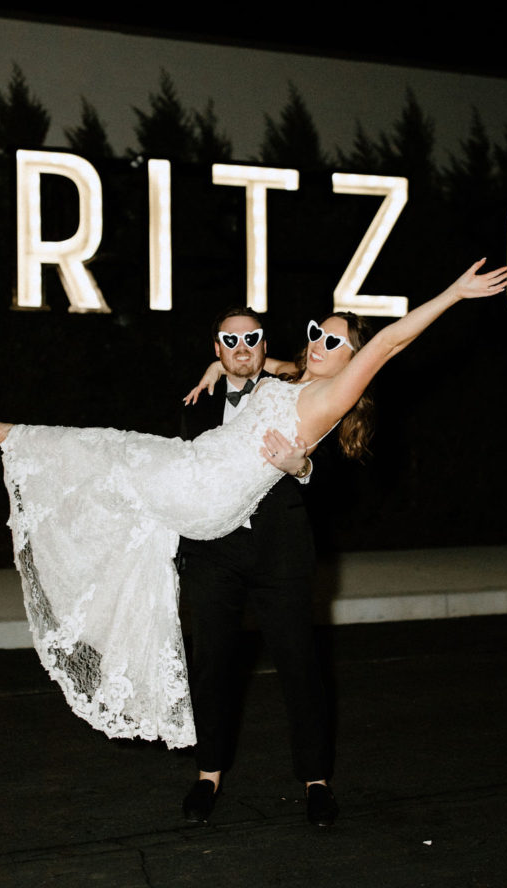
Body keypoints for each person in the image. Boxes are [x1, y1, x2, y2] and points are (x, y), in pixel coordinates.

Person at [0, 259, 507, 809]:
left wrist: (454, 292)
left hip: (221, 505)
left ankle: (316, 782)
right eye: (315, 334)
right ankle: (208, 775)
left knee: (119, 454)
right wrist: (218, 371)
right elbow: (269, 363)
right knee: (124, 463)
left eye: (335, 342)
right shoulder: (288, 377)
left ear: (353, 360)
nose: (320, 345)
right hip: (208, 508)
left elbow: (391, 344)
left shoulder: (330, 396)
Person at [177, 306, 340, 827]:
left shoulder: (297, 390)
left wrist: (305, 465)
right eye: (230, 339)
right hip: (214, 553)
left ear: (266, 346)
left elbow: (336, 472)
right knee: (212, 666)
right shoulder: (196, 406)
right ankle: (208, 775)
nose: (242, 346)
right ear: (216, 347)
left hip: (280, 553)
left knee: (300, 666)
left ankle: (317, 781)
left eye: (252, 338)